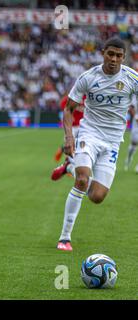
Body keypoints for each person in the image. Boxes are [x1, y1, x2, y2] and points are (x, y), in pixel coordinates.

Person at [56, 37, 135, 251]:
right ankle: (65, 237)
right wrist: (69, 137)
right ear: (103, 53)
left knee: (97, 197)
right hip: (89, 134)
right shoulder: (88, 77)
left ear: (124, 57)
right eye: (110, 54)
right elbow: (68, 109)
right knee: (82, 180)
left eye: (119, 55)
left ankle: (69, 166)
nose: (114, 59)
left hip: (112, 142)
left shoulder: (132, 79)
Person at [51, 94, 85, 180]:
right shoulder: (74, 96)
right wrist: (73, 110)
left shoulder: (87, 97)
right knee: (71, 145)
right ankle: (71, 165)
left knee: (79, 146)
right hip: (71, 126)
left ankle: (63, 151)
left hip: (82, 126)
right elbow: (64, 105)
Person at [124, 105, 138, 171]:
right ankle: (129, 157)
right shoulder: (135, 96)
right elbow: (130, 108)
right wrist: (135, 116)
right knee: (133, 144)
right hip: (136, 126)